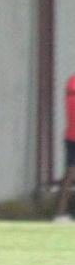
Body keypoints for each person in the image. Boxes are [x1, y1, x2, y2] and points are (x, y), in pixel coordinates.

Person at [53, 73, 75, 223]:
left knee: (69, 174)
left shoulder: (71, 82)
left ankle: (60, 214)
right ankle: (60, 214)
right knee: (70, 174)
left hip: (71, 135)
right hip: (73, 135)